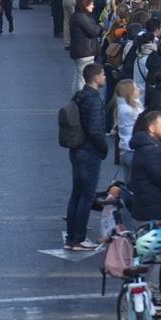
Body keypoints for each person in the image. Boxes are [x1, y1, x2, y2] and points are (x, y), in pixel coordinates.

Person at [64, 63, 108, 251]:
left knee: (77, 193)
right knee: (87, 196)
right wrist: (104, 149)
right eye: (103, 74)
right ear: (96, 77)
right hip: (89, 152)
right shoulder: (94, 100)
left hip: (76, 149)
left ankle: (72, 235)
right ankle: (79, 238)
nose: (105, 77)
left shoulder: (80, 96)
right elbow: (96, 130)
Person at [127, 111, 161, 222]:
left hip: (147, 206)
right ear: (152, 128)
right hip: (153, 209)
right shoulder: (152, 151)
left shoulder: (149, 146)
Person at [69, 0, 102, 94]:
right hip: (85, 51)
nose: (93, 6)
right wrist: (100, 27)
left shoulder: (77, 16)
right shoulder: (82, 17)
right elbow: (93, 31)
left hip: (80, 50)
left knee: (78, 75)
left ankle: (76, 96)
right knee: (83, 77)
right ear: (85, 5)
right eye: (91, 4)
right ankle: (81, 97)